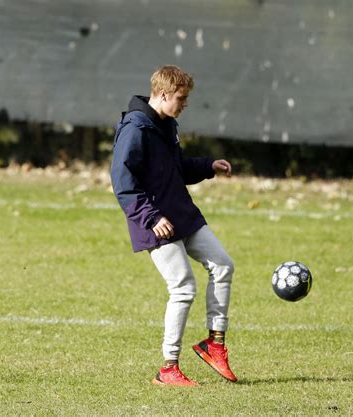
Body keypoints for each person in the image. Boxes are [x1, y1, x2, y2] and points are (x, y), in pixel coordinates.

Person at [110, 65, 237, 386]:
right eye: (181, 98)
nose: (185, 103)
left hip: (180, 214)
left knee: (223, 265)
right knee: (183, 288)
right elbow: (122, 182)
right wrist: (151, 218)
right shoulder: (135, 129)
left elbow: (176, 168)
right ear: (163, 94)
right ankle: (168, 368)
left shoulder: (166, 124)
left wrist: (209, 166)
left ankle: (215, 344)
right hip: (154, 223)